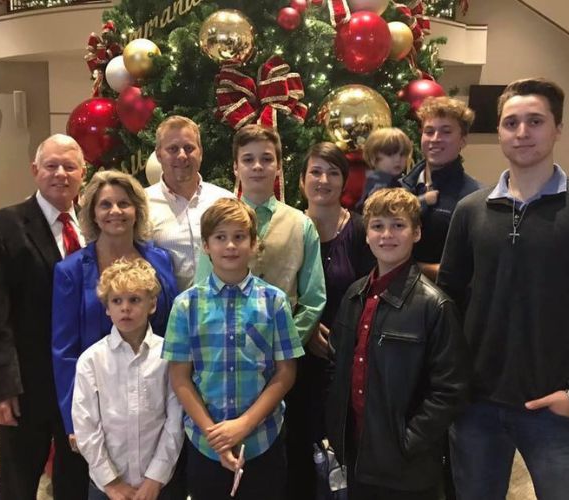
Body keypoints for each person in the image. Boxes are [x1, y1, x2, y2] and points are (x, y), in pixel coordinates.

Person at [438, 78, 569, 500]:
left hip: (559, 410)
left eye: (535, 121)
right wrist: (453, 381)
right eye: (511, 123)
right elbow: (448, 299)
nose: (522, 132)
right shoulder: (471, 211)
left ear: (557, 129)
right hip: (476, 406)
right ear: (499, 132)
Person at [193, 125, 326, 499]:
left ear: (279, 167)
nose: (257, 167)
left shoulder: (301, 224)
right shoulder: (218, 225)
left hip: (282, 364)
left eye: (266, 159)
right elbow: (203, 293)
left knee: (278, 459)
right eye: (248, 160)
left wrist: (280, 347)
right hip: (224, 364)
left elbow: (313, 296)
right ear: (235, 167)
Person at [326, 188, 469, 500]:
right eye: (377, 226)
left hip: (407, 465)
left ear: (416, 233)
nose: (386, 235)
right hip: (357, 454)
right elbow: (337, 365)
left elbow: (449, 390)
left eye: (398, 225)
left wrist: (408, 441)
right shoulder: (354, 296)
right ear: (366, 234)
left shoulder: (435, 306)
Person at [0, 134, 90, 500]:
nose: (60, 174)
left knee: (76, 479)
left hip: (80, 383)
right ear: (35, 170)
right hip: (25, 383)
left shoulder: (94, 224)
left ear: (82, 173)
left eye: (69, 167)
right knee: (19, 482)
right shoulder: (1, 227)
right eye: (51, 165)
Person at [163, 198, 304, 500]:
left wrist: (243, 425)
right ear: (206, 245)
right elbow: (180, 378)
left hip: (263, 440)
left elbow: (286, 371)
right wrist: (216, 436)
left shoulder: (274, 301)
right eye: (220, 237)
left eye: (239, 237)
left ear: (254, 244)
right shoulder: (186, 305)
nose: (230, 246)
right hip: (206, 444)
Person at [52, 170, 178, 453]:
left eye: (124, 203)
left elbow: (174, 325)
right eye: (105, 205)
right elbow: (64, 350)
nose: (115, 211)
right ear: (93, 214)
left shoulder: (160, 260)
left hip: (156, 390)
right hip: (102, 398)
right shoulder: (70, 271)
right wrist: (74, 422)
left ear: (137, 210)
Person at [295, 142, 376, 498]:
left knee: (342, 456)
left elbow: (375, 294)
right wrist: (306, 327)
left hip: (347, 361)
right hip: (294, 360)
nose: (323, 180)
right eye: (315, 171)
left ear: (344, 181)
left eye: (333, 172)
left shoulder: (359, 231)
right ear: (301, 181)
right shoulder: (288, 229)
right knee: (299, 452)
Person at [72, 258, 184, 500]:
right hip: (107, 486)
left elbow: (175, 419)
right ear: (106, 307)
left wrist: (156, 477)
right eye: (116, 301)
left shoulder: (169, 355)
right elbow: (86, 426)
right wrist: (111, 483)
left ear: (152, 304)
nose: (125, 308)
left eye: (134, 300)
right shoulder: (91, 360)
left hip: (160, 483)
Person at [146, 115, 234, 291]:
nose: (182, 155)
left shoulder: (225, 201)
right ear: (158, 155)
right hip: (167, 314)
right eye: (172, 149)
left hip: (222, 311)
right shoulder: (142, 204)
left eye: (189, 148)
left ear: (200, 152)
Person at [400, 96, 480, 281]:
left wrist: (409, 268)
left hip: (444, 304)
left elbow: (469, 269)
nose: (435, 139)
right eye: (429, 131)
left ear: (463, 140)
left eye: (446, 132)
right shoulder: (400, 187)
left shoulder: (473, 197)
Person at [355, 127, 412, 212]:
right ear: (373, 158)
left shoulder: (394, 180)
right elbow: (393, 209)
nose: (398, 159)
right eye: (390, 154)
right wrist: (423, 200)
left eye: (402, 154)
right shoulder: (380, 184)